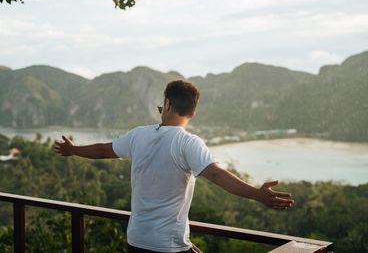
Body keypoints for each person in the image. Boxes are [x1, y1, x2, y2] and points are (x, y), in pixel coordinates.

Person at [54, 80, 294, 253]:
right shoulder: (188, 143)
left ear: (167, 104)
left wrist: (73, 150)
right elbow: (216, 174)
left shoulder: (138, 136)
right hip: (167, 246)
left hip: (137, 241)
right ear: (192, 113)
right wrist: (258, 195)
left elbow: (104, 150)